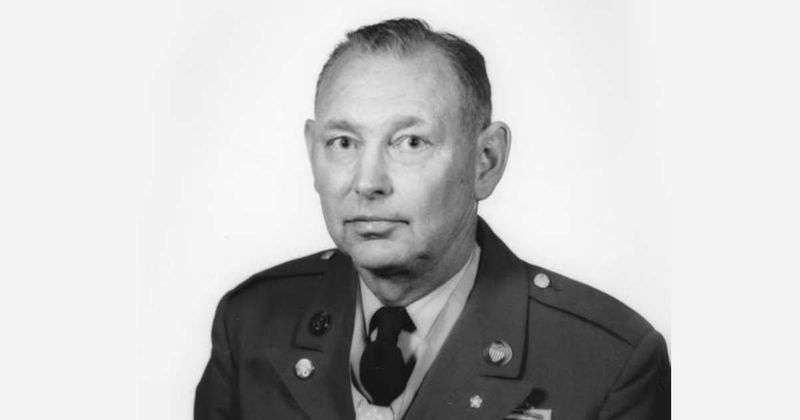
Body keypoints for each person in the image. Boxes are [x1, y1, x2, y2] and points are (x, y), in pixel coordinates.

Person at [195, 18, 670, 420]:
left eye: (411, 143)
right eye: (343, 143)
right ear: (311, 153)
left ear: (485, 161)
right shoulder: (250, 323)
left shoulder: (608, 363)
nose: (368, 182)